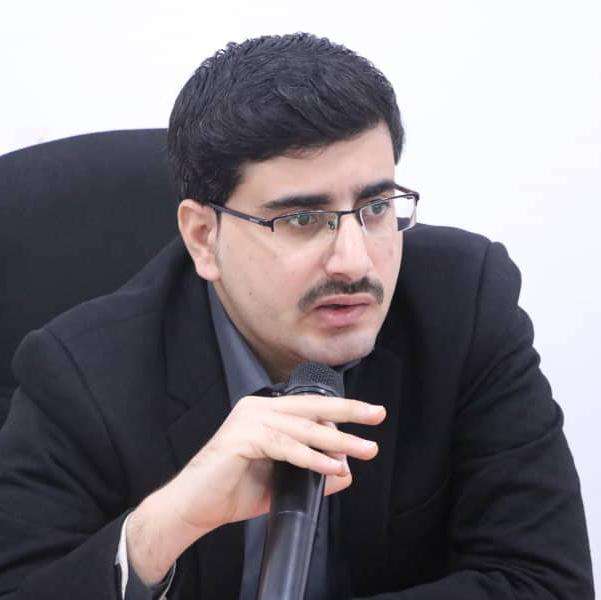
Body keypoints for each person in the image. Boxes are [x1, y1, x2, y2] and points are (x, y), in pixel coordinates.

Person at [0, 32, 594, 600]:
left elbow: (547, 583)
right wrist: (164, 525)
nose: (354, 260)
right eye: (303, 219)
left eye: (376, 207)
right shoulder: (81, 376)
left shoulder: (462, 305)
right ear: (203, 237)